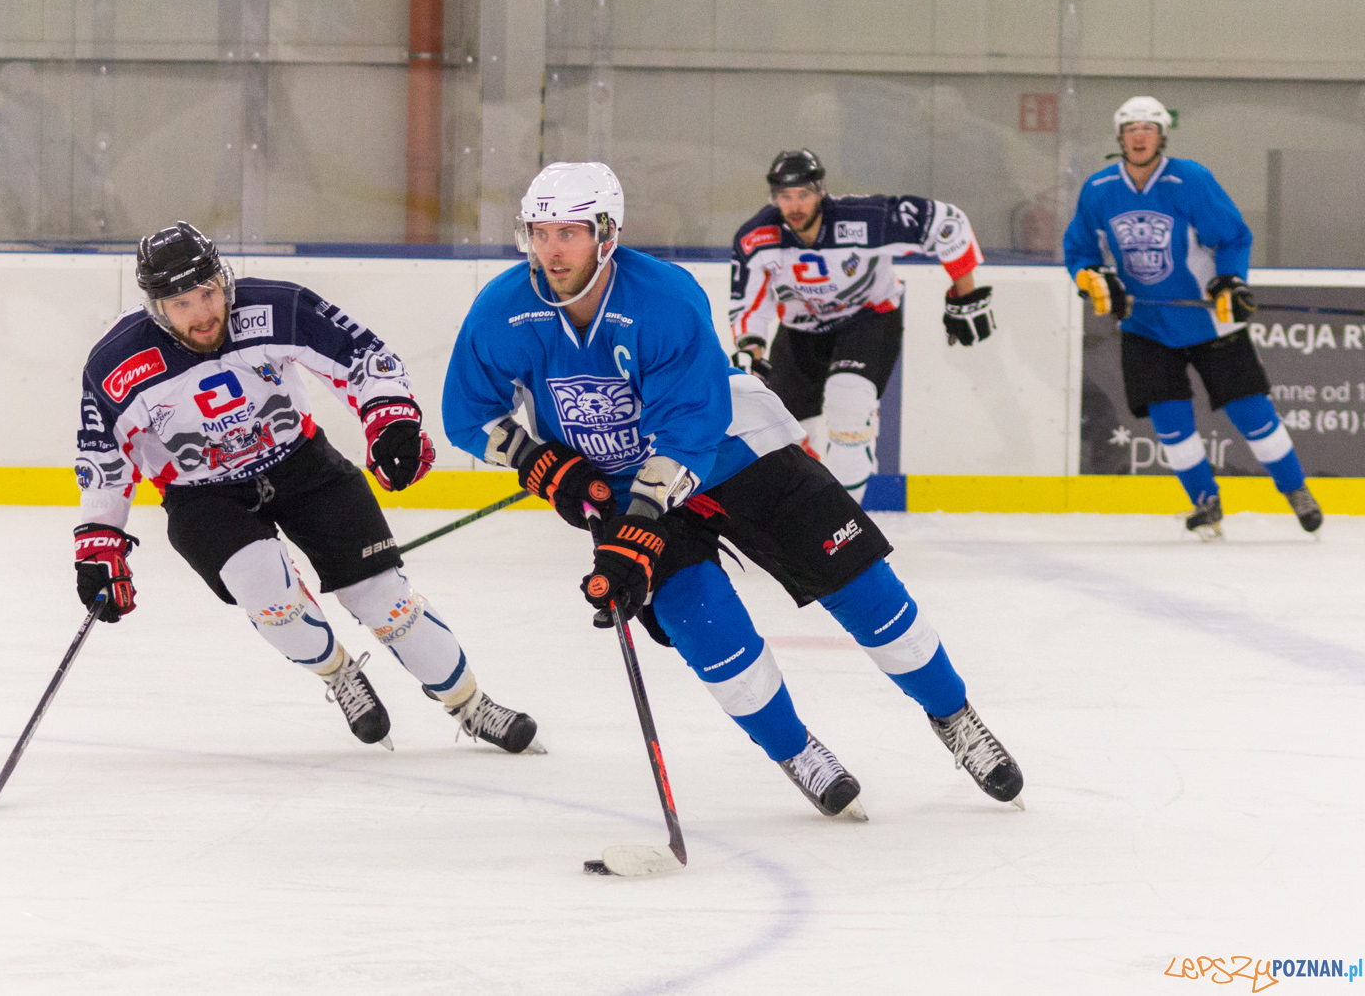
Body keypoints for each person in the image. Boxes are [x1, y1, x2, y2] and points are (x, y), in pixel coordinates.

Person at [443, 162, 1024, 819]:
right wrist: (544, 464)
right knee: (704, 624)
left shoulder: (663, 298)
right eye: (540, 232)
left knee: (861, 583)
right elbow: (467, 413)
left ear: (606, 233)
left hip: (733, 450)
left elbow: (687, 433)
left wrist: (637, 524)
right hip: (621, 489)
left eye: (569, 233)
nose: (551, 250)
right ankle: (794, 749)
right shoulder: (502, 310)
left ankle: (955, 716)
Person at [71, 222, 540, 753]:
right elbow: (103, 458)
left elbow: (362, 356)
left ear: (223, 279)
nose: (203, 313)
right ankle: (339, 674)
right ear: (156, 309)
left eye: (208, 292)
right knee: (264, 588)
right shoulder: (116, 363)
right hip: (202, 495)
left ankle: (471, 705)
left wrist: (391, 421)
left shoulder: (275, 306)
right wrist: (99, 544)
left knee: (382, 598)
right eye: (182, 304)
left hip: (302, 465)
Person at [1063, 96, 1322, 538]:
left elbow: (1233, 237)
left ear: (1162, 136)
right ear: (1120, 138)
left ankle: (1296, 489)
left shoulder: (1191, 180)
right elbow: (1080, 250)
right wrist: (1094, 278)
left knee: (1252, 413)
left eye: (1148, 129)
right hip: (1144, 325)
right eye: (1131, 129)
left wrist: (1230, 281)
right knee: (1170, 422)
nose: (1139, 136)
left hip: (1210, 322)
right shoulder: (1099, 189)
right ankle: (1205, 502)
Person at [729, 149, 994, 504]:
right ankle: (806, 512)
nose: (794, 206)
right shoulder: (757, 237)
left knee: (849, 402)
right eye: (785, 196)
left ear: (820, 191)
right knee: (781, 432)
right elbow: (750, 304)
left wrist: (966, 293)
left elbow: (948, 223)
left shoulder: (865, 219)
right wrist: (752, 351)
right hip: (799, 333)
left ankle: (846, 517)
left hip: (868, 321)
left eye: (803, 194)